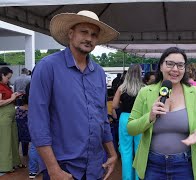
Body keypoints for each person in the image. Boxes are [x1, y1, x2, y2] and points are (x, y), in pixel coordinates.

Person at [28, 10, 119, 180]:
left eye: (94, 34)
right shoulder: (48, 67)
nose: (89, 38)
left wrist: (112, 154)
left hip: (95, 167)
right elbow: (37, 122)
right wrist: (53, 169)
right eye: (83, 32)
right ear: (71, 34)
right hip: (63, 167)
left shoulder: (98, 72)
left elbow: (102, 119)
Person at [127, 47, 196, 180]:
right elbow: (131, 128)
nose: (175, 69)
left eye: (180, 65)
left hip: (185, 164)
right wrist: (149, 117)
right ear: (161, 66)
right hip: (152, 164)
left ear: (184, 69)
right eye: (170, 64)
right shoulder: (146, 92)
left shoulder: (195, 93)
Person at [112, 64, 145, 180]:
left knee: (125, 151)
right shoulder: (144, 88)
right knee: (139, 150)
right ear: (140, 74)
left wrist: (122, 103)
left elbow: (115, 105)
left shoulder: (122, 88)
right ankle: (138, 177)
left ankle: (127, 178)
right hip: (140, 119)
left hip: (125, 118)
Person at [0, 67, 23, 173]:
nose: (8, 80)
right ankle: (5, 166)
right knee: (5, 142)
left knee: (14, 139)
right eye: (7, 77)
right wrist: (12, 98)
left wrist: (14, 96)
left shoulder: (6, 86)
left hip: (10, 115)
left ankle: (15, 162)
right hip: (4, 116)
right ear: (2, 75)